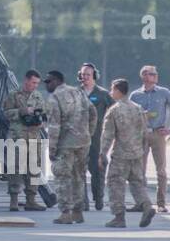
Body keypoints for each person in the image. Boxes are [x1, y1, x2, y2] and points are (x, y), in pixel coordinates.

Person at [98, 79, 156, 228]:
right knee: (137, 183)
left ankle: (119, 217)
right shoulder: (137, 108)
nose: (111, 93)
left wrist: (102, 153)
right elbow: (144, 132)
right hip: (136, 154)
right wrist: (142, 151)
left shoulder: (114, 110)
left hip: (120, 155)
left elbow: (108, 135)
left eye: (112, 89)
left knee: (115, 183)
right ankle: (146, 206)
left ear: (118, 90)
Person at [44, 69, 97, 225]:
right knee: (79, 177)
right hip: (83, 142)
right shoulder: (78, 92)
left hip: (65, 144)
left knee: (62, 178)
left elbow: (54, 126)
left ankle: (65, 213)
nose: (46, 85)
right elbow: (93, 112)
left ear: (55, 81)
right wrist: (88, 133)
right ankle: (78, 212)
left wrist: (52, 149)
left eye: (48, 82)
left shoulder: (54, 97)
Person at [129, 65, 170, 213]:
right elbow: (129, 115)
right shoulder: (135, 96)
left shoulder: (163, 93)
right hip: (141, 135)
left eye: (155, 74)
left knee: (161, 170)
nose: (155, 76)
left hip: (157, 134)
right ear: (144, 76)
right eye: (151, 74)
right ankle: (142, 202)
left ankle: (161, 203)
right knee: (139, 171)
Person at [1, 70, 48, 211]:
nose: (35, 85)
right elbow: (6, 114)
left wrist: (41, 122)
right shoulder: (13, 95)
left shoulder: (38, 96)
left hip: (34, 136)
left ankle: (31, 200)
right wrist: (22, 111)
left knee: (34, 170)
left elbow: (44, 115)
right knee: (15, 168)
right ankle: (14, 199)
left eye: (37, 83)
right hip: (17, 137)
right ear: (26, 80)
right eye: (33, 82)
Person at [79, 63, 114, 211]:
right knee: (78, 170)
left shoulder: (103, 94)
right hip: (78, 138)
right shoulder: (75, 93)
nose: (85, 77)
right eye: (83, 74)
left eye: (88, 74)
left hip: (97, 138)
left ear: (94, 76)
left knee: (98, 170)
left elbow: (114, 111)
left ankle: (98, 198)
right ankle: (83, 201)